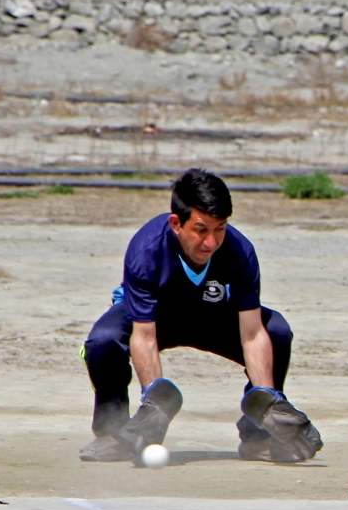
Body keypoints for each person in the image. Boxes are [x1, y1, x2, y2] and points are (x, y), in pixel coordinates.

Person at [79, 168, 322, 464]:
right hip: (157, 319)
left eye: (220, 229)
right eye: (201, 229)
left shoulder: (239, 251)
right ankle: (114, 433)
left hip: (212, 317)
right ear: (176, 224)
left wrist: (268, 401)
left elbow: (253, 333)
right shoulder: (147, 250)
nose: (211, 242)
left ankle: (259, 434)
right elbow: (144, 336)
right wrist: (154, 402)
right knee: (103, 341)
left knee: (276, 330)